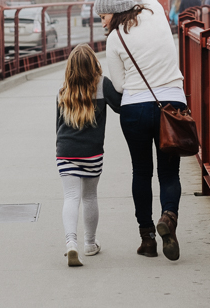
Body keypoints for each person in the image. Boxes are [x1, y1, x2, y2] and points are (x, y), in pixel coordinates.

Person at [94, 0, 187, 261]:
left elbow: (120, 87)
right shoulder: (158, 13)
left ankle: (147, 239)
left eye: (103, 16)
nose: (102, 22)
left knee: (141, 172)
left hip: (135, 110)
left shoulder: (115, 38)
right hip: (172, 105)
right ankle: (168, 217)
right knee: (169, 172)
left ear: (114, 12)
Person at [56, 44, 122, 267]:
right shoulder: (103, 84)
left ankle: (71, 243)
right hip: (92, 154)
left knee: (71, 197)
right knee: (90, 196)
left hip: (66, 152)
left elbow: (58, 125)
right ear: (94, 63)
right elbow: (120, 106)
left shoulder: (64, 89)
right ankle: (90, 244)